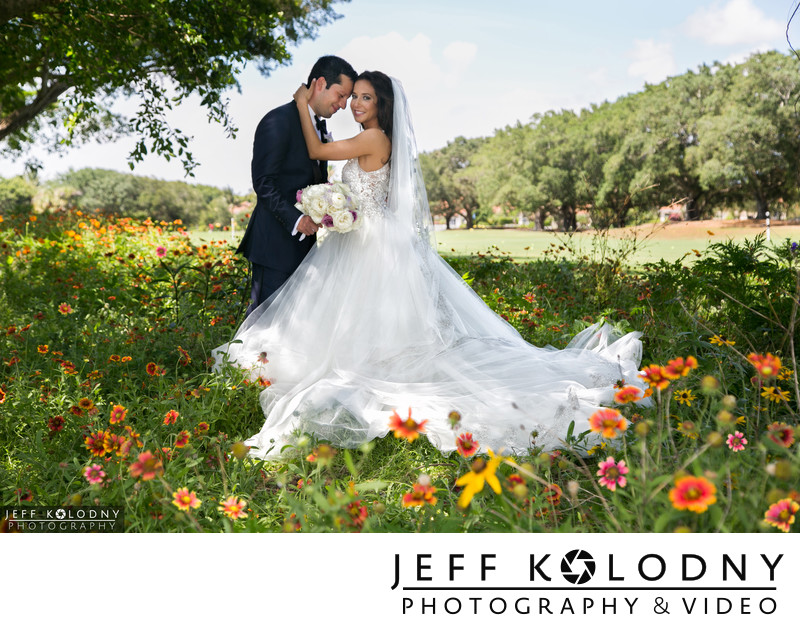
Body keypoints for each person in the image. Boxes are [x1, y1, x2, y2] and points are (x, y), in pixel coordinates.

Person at [214, 71, 646, 459]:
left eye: (364, 98)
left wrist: (299, 101)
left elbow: (315, 147)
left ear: (381, 105)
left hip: (370, 244)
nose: (356, 105)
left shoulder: (374, 137)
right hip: (363, 237)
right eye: (353, 97)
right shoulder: (376, 140)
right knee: (359, 317)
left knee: (362, 318)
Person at [236, 55, 357, 317]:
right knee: (264, 324)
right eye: (341, 95)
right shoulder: (278, 120)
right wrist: (297, 220)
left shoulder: (318, 127)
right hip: (275, 246)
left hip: (307, 248)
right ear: (321, 83)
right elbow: (264, 184)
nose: (344, 105)